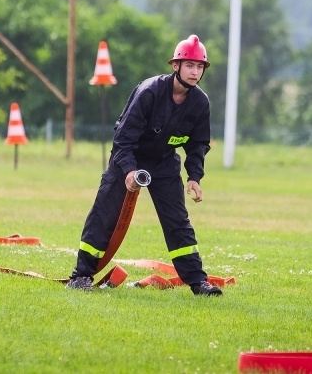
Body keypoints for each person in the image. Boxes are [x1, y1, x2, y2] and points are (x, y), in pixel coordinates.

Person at [66, 35, 222, 296]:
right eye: (190, 65)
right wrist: (128, 171)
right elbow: (123, 138)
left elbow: (197, 144)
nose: (195, 72)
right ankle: (80, 276)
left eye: (200, 67)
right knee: (104, 214)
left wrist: (194, 176)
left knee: (178, 222)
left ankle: (198, 282)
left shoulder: (200, 102)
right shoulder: (149, 92)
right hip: (129, 158)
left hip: (164, 163)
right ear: (176, 66)